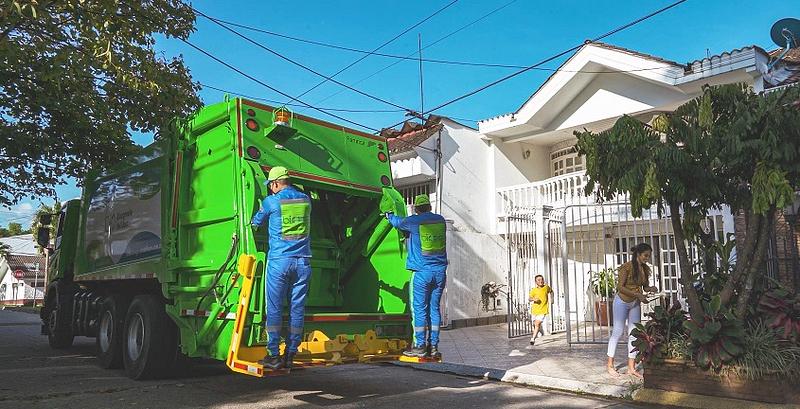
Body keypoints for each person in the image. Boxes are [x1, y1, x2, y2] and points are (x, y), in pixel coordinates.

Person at [250, 166, 312, 370]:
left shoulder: (271, 202)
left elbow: (255, 223)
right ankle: (291, 354)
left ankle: (274, 355)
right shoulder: (306, 200)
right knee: (297, 309)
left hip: (280, 262)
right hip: (303, 262)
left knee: (275, 308)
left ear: (275, 183)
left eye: (271, 185)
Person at [385, 194, 448, 358]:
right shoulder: (440, 221)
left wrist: (389, 215)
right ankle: (433, 346)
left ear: (416, 209)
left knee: (419, 309)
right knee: (434, 310)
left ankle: (419, 345)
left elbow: (397, 223)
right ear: (430, 207)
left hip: (422, 273)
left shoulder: (414, 221)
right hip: (440, 273)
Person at [606, 243, 658, 379]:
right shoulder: (626, 267)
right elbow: (620, 287)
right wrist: (638, 295)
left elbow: (645, 287)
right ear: (638, 254)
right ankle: (610, 365)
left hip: (635, 303)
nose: (647, 258)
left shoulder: (645, 269)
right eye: (646, 255)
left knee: (634, 334)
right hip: (622, 302)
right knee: (617, 332)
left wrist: (650, 289)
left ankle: (631, 367)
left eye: (649, 256)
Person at [528, 274, 553, 345]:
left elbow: (551, 291)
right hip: (534, 310)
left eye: (542, 279)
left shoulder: (546, 287)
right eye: (539, 280)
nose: (541, 281)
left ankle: (532, 339)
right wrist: (534, 299)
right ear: (536, 282)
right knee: (535, 324)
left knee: (537, 323)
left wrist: (552, 299)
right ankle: (539, 331)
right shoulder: (534, 290)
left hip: (543, 310)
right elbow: (529, 298)